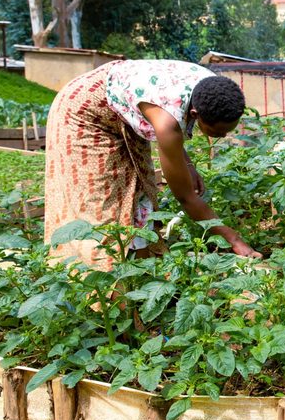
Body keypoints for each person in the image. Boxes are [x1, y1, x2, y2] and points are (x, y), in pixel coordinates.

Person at [44, 59, 261, 268]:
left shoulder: (211, 89)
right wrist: (235, 240)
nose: (222, 136)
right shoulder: (166, 122)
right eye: (216, 131)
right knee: (102, 203)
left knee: (141, 188)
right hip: (84, 111)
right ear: (196, 114)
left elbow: (175, 122)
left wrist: (188, 166)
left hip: (121, 104)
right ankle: (95, 278)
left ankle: (143, 269)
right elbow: (186, 198)